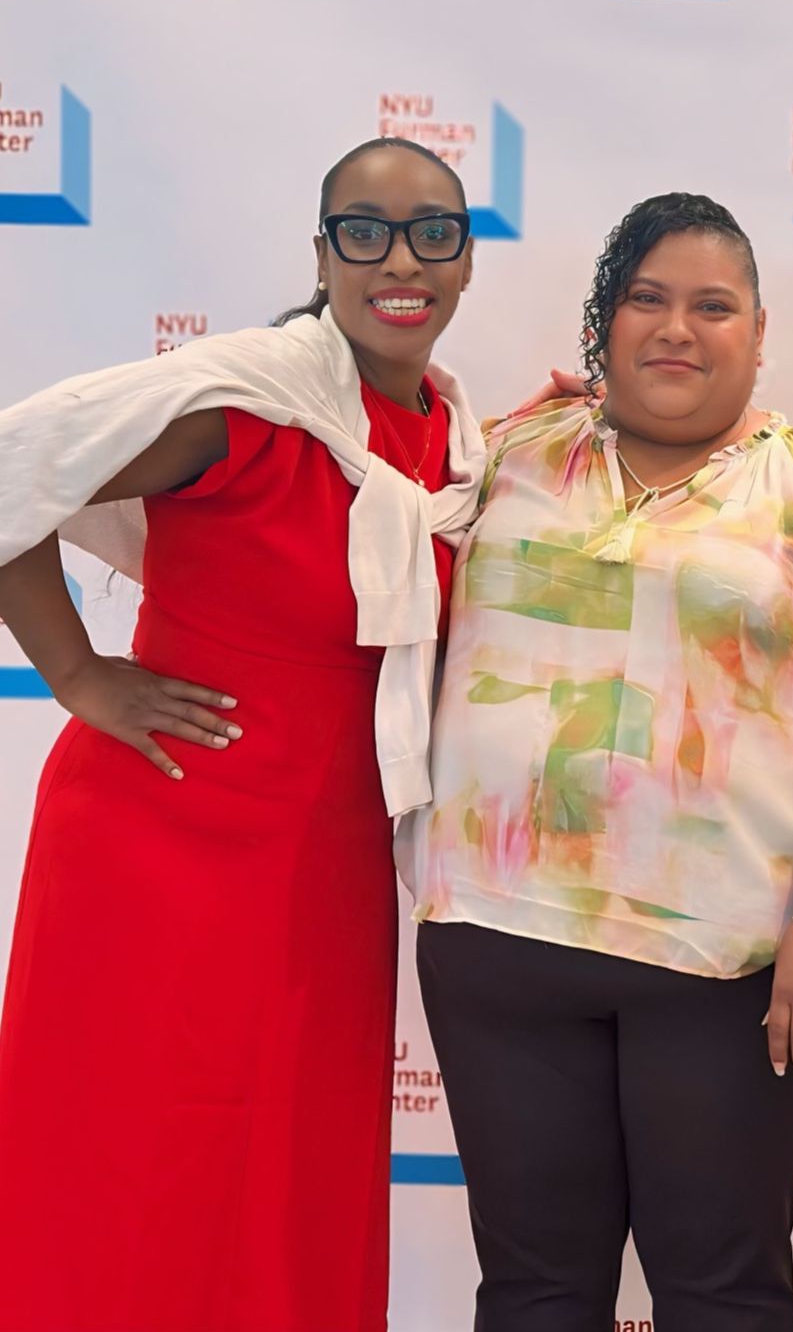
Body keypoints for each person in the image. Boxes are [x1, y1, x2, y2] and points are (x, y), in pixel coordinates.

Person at [398, 192, 793, 1332]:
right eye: (646, 298)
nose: (676, 328)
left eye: (712, 305)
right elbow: (357, 539)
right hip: (498, 948)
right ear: (602, 324)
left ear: (757, 329)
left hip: (728, 967)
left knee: (722, 1294)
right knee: (534, 1292)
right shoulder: (504, 455)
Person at [0, 137, 485, 1332]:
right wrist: (76, 673)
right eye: (362, 231)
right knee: (129, 1172)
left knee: (285, 1179)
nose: (399, 257)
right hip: (156, 841)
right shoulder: (243, 405)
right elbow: (15, 474)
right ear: (323, 255)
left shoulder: (452, 438)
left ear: (467, 258)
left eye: (433, 228)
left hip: (322, 862)